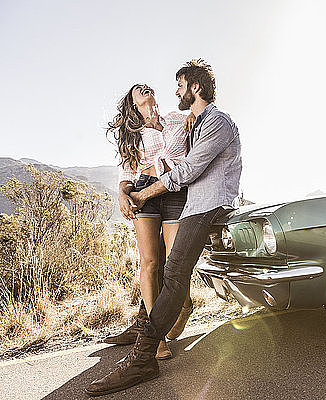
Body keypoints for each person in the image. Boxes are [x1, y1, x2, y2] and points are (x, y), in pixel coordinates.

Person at [86, 59, 242, 396]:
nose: (175, 93)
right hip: (191, 202)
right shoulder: (196, 122)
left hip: (202, 203)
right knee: (163, 269)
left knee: (173, 275)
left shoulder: (213, 122)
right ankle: (147, 341)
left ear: (195, 88)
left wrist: (144, 192)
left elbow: (185, 171)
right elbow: (132, 169)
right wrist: (129, 191)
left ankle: (143, 356)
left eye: (181, 86)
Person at [103, 83, 196, 360]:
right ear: (133, 104)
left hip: (175, 191)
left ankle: (185, 306)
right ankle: (155, 336)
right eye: (137, 89)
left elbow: (201, 118)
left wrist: (194, 114)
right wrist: (122, 194)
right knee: (150, 263)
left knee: (176, 263)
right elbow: (126, 174)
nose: (144, 87)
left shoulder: (176, 118)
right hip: (144, 192)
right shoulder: (132, 136)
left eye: (146, 86)